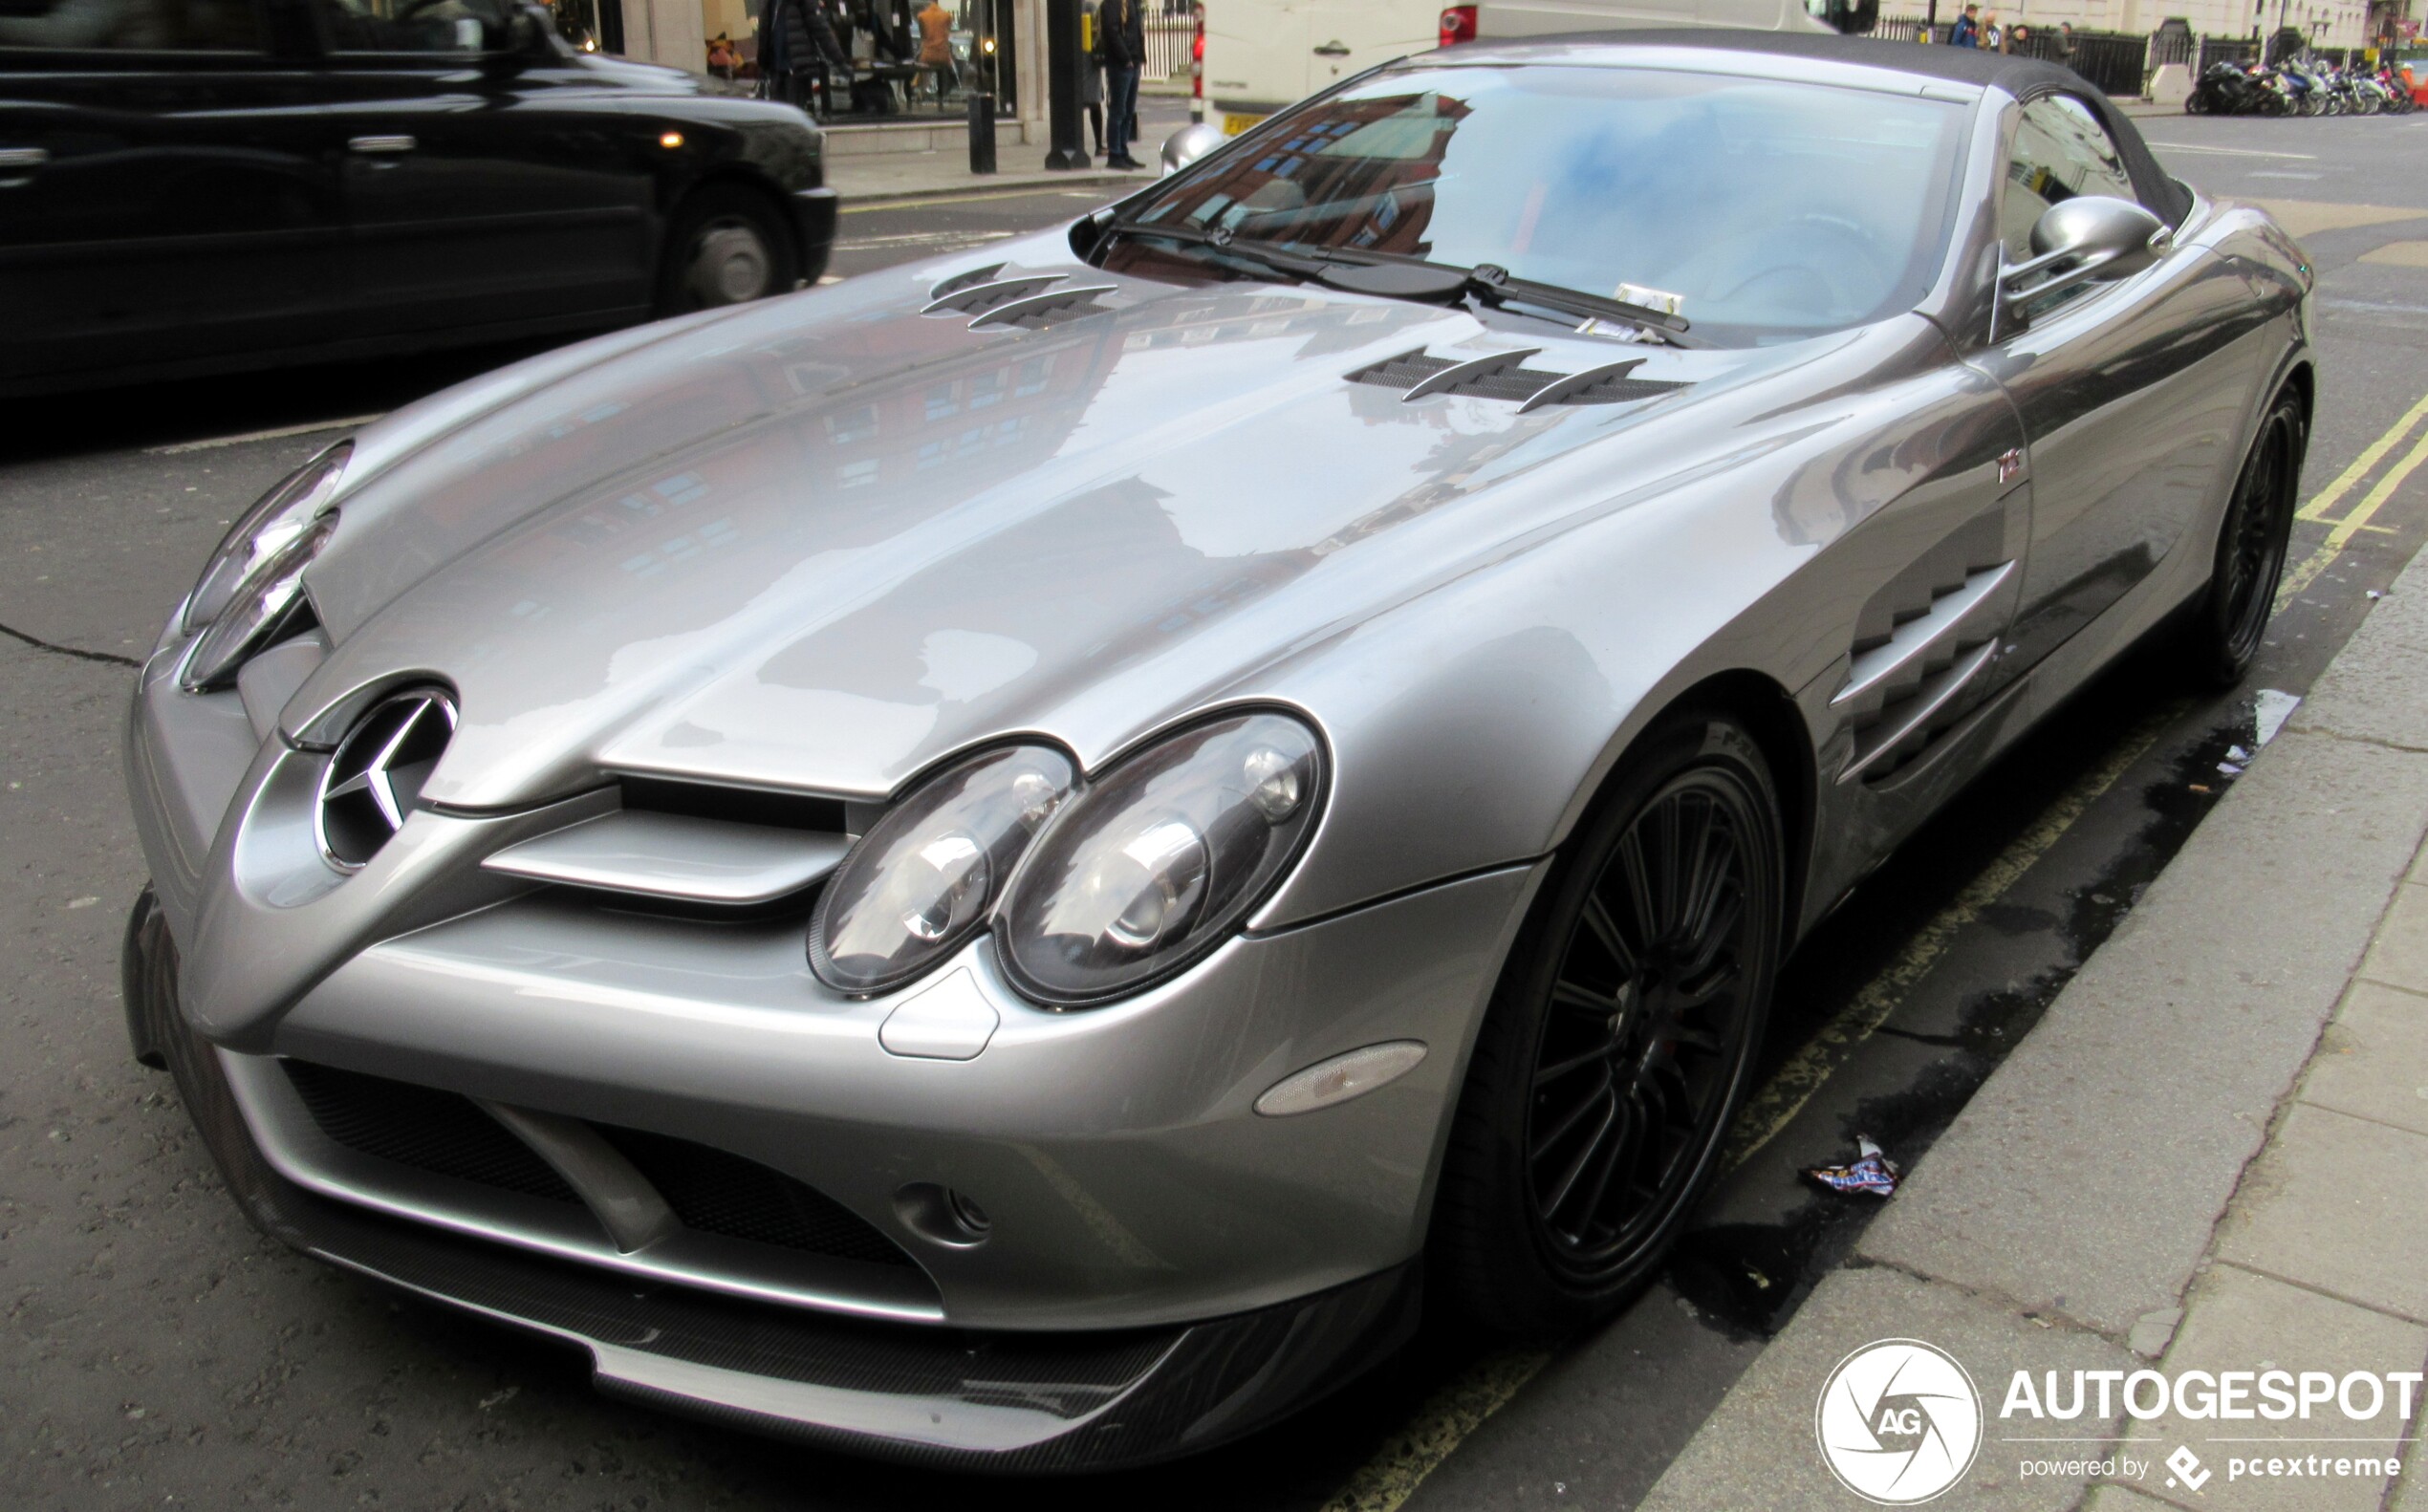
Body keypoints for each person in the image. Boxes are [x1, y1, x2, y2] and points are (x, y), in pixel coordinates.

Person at [1096, 0, 1145, 169]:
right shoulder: (1112, 3)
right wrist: (1126, 58)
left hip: (1133, 62)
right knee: (1118, 111)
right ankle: (1114, 155)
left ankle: (1123, 151)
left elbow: (1136, 31)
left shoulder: (1131, 3)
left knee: (1128, 111)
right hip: (1120, 64)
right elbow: (1112, 32)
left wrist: (1138, 59)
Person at [1079, 0, 1106, 157]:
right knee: (1094, 104)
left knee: (1093, 103)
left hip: (1086, 60)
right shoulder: (1088, 7)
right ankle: (1097, 145)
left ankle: (1097, 145)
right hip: (1087, 60)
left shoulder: (1088, 7)